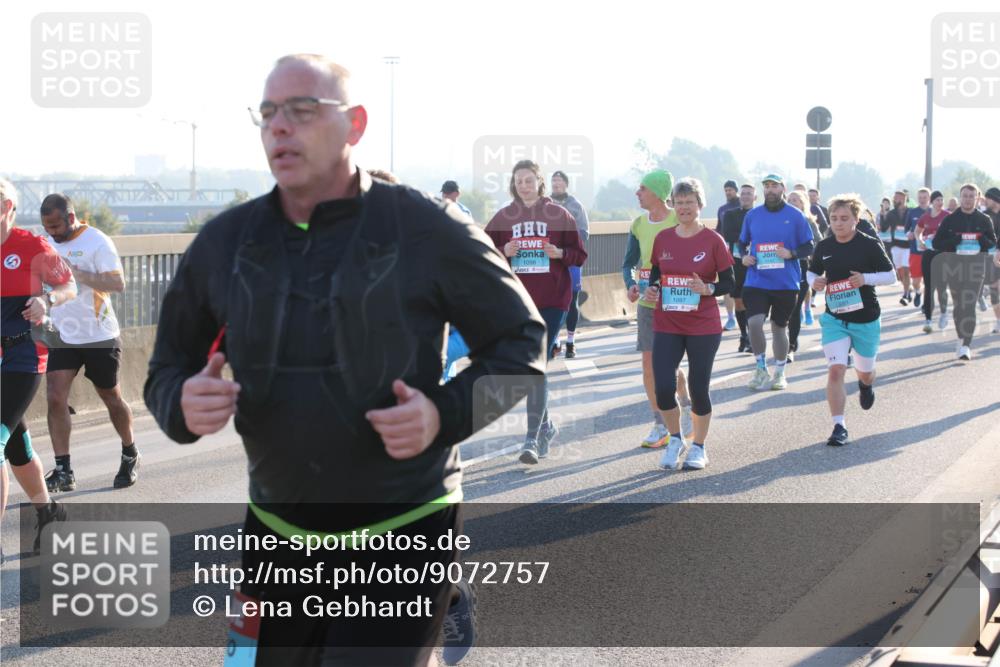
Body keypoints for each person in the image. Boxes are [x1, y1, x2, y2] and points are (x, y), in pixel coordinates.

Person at [145, 54, 546, 666]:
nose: (280, 127)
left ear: (354, 124)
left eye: (302, 110)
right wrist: (181, 402)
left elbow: (523, 346)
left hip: (404, 534)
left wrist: (443, 414)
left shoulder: (426, 228)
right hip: (276, 540)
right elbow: (167, 366)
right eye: (269, 113)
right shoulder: (225, 242)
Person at [485, 159, 586, 465]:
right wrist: (504, 252)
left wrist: (560, 254)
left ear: (539, 181)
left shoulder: (559, 214)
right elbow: (482, 253)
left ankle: (531, 438)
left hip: (553, 300)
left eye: (528, 180)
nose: (524, 186)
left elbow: (579, 255)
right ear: (513, 185)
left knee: (535, 365)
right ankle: (546, 427)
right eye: (519, 181)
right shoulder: (504, 216)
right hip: (517, 302)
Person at [37, 193, 137, 493]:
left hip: (98, 334)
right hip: (62, 334)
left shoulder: (97, 240)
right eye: (46, 227)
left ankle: (130, 451)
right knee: (55, 396)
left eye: (55, 225)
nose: (51, 232)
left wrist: (76, 274)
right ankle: (64, 469)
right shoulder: (45, 244)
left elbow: (117, 283)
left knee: (111, 398)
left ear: (71, 217)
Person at [1, 177, 77, 555]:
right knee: (16, 447)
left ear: (8, 208)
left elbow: (69, 287)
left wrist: (46, 300)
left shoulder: (32, 246)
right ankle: (48, 512)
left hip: (24, 356)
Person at [644, 177, 734, 470]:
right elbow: (656, 272)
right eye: (679, 203)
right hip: (668, 321)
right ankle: (675, 439)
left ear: (700, 205)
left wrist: (709, 289)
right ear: (673, 205)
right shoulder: (664, 239)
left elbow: (730, 282)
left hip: (702, 325)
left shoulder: (713, 240)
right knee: (663, 387)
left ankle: (699, 446)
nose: (684, 208)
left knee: (697, 386)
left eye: (690, 202)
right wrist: (652, 287)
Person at [808, 194, 896, 447]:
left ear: (856, 220)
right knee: (836, 370)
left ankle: (865, 385)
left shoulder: (869, 244)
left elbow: (890, 276)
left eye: (845, 218)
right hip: (835, 318)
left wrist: (865, 279)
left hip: (866, 318)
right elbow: (812, 271)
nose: (838, 223)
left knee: (865, 372)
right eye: (834, 218)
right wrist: (814, 281)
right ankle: (839, 426)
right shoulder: (824, 246)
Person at [621, 169, 694, 446]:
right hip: (647, 303)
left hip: (677, 301)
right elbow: (628, 262)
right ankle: (659, 424)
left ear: (658, 193)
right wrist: (630, 283)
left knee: (668, 365)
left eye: (642, 188)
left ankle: (684, 402)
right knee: (649, 366)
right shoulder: (638, 224)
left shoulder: (680, 218)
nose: (637, 193)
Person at [738, 174, 815, 391]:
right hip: (757, 279)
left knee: (779, 327)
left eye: (774, 186)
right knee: (753, 323)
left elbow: (809, 246)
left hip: (785, 283)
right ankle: (761, 368)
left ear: (782, 188)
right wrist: (743, 257)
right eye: (767, 186)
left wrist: (791, 253)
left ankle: (780, 372)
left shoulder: (796, 215)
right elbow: (741, 243)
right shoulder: (753, 215)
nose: (770, 190)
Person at [931, 183, 998, 360]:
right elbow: (937, 243)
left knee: (969, 306)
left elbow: (992, 244)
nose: (968, 199)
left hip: (976, 269)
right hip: (953, 268)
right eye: (965, 196)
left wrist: (980, 239)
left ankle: (966, 346)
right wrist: (956, 239)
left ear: (977, 198)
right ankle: (961, 338)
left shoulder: (984, 220)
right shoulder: (950, 220)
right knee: (959, 307)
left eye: (971, 196)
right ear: (960, 197)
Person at [550, 170, 590, 359]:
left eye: (559, 181)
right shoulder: (544, 204)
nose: (556, 184)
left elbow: (584, 233)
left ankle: (571, 342)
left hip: (571, 259)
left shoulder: (575, 206)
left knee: (571, 300)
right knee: (552, 301)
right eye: (553, 181)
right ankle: (554, 340)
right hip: (550, 260)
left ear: (566, 184)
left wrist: (566, 245)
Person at [785, 190, 822, 362]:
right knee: (783, 309)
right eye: (790, 199)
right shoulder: (780, 219)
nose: (792, 202)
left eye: (796, 200)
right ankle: (785, 338)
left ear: (803, 203)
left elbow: (817, 243)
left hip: (801, 265)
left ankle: (790, 345)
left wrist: (797, 250)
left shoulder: (808, 221)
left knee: (794, 308)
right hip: (780, 267)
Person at [720, 184, 756, 352]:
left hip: (759, 261)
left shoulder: (761, 214)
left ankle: (753, 334)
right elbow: (728, 234)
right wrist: (750, 237)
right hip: (738, 261)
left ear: (755, 197)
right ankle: (744, 335)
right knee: (740, 300)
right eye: (743, 193)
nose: (746, 196)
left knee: (756, 300)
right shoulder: (730, 214)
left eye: (749, 193)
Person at [916, 190, 951, 332]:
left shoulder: (947, 216)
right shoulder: (925, 217)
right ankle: (928, 320)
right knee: (929, 287)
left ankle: (943, 313)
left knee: (942, 286)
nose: (940, 202)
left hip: (942, 255)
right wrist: (920, 241)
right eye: (937, 200)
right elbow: (917, 231)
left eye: (942, 200)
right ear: (932, 201)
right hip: (928, 254)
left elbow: (954, 232)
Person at [716, 180, 741, 331]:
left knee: (742, 286)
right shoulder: (722, 209)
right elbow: (719, 229)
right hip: (726, 250)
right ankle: (731, 318)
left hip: (743, 251)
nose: (728, 192)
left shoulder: (742, 206)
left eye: (731, 190)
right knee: (728, 284)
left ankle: (745, 315)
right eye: (726, 190)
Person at [881, 190, 912, 305]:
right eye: (895, 198)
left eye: (899, 198)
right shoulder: (891, 213)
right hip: (896, 245)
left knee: (906, 269)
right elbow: (884, 228)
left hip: (908, 245)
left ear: (905, 198)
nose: (897, 200)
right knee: (900, 271)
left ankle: (906, 293)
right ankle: (907, 288)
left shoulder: (911, 212)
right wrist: (884, 214)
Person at [903, 188, 931, 309]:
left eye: (925, 197)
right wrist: (908, 234)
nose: (922, 200)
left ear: (929, 199)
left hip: (930, 251)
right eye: (920, 198)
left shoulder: (934, 212)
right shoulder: (912, 212)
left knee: (929, 280)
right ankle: (918, 292)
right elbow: (906, 229)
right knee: (915, 281)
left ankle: (926, 303)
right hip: (915, 251)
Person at [982, 187, 1000, 333]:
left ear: (994, 199)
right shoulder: (984, 216)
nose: (985, 200)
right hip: (990, 257)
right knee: (994, 288)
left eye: (987, 198)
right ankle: (998, 320)